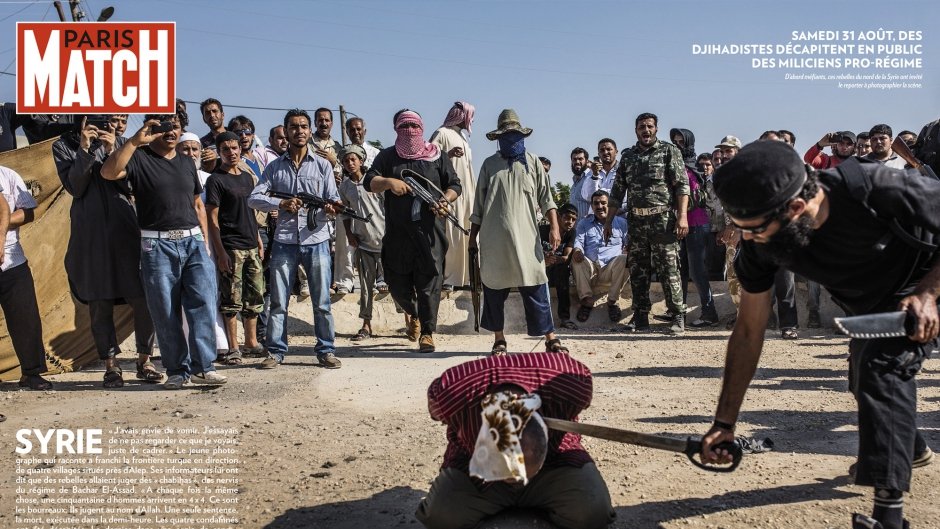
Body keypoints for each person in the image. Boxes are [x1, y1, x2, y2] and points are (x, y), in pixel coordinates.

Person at [700, 141, 938, 529]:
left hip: (924, 281)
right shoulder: (761, 244)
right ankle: (906, 446)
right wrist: (724, 423)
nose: (752, 240)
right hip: (870, 303)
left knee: (882, 369)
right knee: (863, 380)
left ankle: (888, 517)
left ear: (795, 208)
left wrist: (928, 293)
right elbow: (748, 332)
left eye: (756, 230)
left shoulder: (879, 188)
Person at [416, 352, 616, 529]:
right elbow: (436, 412)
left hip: (554, 463)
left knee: (593, 512)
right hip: (476, 469)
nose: (515, 479)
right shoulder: (451, 392)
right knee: (440, 518)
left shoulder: (571, 384)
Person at [101, 114, 227, 389]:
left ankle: (204, 368)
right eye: (164, 126)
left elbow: (196, 203)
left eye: (176, 126)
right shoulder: (139, 157)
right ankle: (177, 371)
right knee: (165, 311)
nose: (171, 131)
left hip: (193, 242)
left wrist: (204, 242)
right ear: (151, 128)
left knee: (202, 305)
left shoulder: (185, 161)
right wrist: (135, 141)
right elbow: (109, 173)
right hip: (156, 245)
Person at [52, 115, 159, 388]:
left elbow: (133, 185)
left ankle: (144, 360)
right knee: (100, 303)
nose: (103, 125)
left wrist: (114, 151)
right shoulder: (63, 146)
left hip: (126, 231)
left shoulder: (125, 143)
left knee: (143, 298)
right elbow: (75, 187)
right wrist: (85, 150)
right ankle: (111, 365)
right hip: (91, 236)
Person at [248, 109, 342, 369]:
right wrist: (282, 202)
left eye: (303, 126)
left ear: (310, 131)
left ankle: (326, 350)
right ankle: (275, 352)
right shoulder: (274, 167)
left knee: (322, 301)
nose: (299, 131)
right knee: (278, 301)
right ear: (286, 132)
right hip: (285, 241)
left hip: (317, 239)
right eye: (293, 127)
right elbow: (254, 198)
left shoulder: (323, 165)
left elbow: (332, 198)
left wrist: (333, 207)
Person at [469, 109, 568, 356]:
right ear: (499, 138)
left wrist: (554, 227)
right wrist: (472, 238)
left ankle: (550, 339)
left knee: (535, 285)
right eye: (506, 134)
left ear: (522, 135)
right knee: (494, 288)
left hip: (527, 238)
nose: (511, 139)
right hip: (494, 240)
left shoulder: (533, 163)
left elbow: (547, 199)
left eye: (515, 134)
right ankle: (499, 339)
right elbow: (478, 207)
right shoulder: (489, 165)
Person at [365, 109, 461, 354]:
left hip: (430, 233)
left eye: (414, 126)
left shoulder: (437, 156)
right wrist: (389, 182)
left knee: (430, 281)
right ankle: (413, 313)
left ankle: (427, 333)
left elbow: (454, 185)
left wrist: (445, 200)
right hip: (398, 233)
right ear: (396, 129)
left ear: (422, 128)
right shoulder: (387, 157)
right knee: (396, 282)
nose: (410, 131)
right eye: (404, 126)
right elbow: (369, 181)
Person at [608, 113, 690, 334]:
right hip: (636, 222)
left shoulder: (668, 151)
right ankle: (640, 316)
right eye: (642, 127)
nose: (646, 130)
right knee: (638, 271)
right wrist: (607, 223)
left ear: (656, 129)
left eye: (650, 126)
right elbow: (616, 193)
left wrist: (682, 216)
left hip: (663, 221)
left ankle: (677, 315)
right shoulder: (628, 157)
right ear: (636, 130)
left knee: (669, 270)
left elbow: (682, 186)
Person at [205, 131, 265, 366]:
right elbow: (212, 218)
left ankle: (250, 342)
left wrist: (258, 239)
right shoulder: (216, 180)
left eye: (235, 148)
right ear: (219, 152)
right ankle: (233, 348)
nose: (232, 152)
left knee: (254, 297)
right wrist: (220, 252)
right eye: (226, 149)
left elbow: (250, 210)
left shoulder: (247, 178)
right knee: (231, 300)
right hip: (231, 247)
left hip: (251, 244)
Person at [0, 165, 54, 390]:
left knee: (26, 318)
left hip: (13, 259)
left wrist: (1, 225)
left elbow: (28, 211)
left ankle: (32, 373)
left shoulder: (8, 175)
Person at [671, 127, 720, 327]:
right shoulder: (675, 164)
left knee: (697, 271)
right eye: (675, 142)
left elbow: (692, 196)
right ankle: (677, 312)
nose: (677, 145)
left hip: (697, 224)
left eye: (681, 142)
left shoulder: (693, 167)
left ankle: (710, 312)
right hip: (679, 225)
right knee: (679, 270)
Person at [338, 144, 386, 341]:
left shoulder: (374, 181)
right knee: (366, 287)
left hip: (385, 239)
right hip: (363, 242)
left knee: (398, 283)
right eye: (346, 160)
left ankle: (411, 320)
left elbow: (387, 207)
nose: (350, 163)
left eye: (353, 159)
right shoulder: (345, 187)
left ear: (361, 160)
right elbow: (345, 213)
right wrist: (349, 234)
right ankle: (366, 324)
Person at [430, 101, 476, 292]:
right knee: (451, 234)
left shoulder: (462, 137)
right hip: (450, 195)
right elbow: (429, 160)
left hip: (467, 196)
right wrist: (447, 155)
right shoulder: (442, 133)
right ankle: (448, 278)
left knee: (466, 234)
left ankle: (464, 279)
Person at [571, 191, 629, 323]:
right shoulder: (583, 223)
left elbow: (628, 244)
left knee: (624, 259)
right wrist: (578, 250)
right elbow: (578, 242)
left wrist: (628, 250)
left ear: (610, 205)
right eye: (596, 203)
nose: (600, 206)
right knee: (576, 259)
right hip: (591, 270)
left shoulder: (621, 223)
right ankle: (586, 301)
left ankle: (613, 302)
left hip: (612, 270)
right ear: (591, 205)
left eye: (603, 203)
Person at [541, 204, 578, 325]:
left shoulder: (571, 233)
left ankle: (565, 318)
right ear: (558, 217)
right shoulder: (541, 230)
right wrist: (543, 261)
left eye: (573, 219)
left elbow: (566, 257)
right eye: (567, 218)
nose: (570, 222)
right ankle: (540, 320)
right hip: (540, 269)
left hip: (557, 272)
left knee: (562, 271)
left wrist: (556, 259)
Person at [568, 147, 593, 220]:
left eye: (580, 159)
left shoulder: (592, 177)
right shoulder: (574, 184)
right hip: (576, 228)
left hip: (590, 227)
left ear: (586, 161)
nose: (577, 162)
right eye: (574, 159)